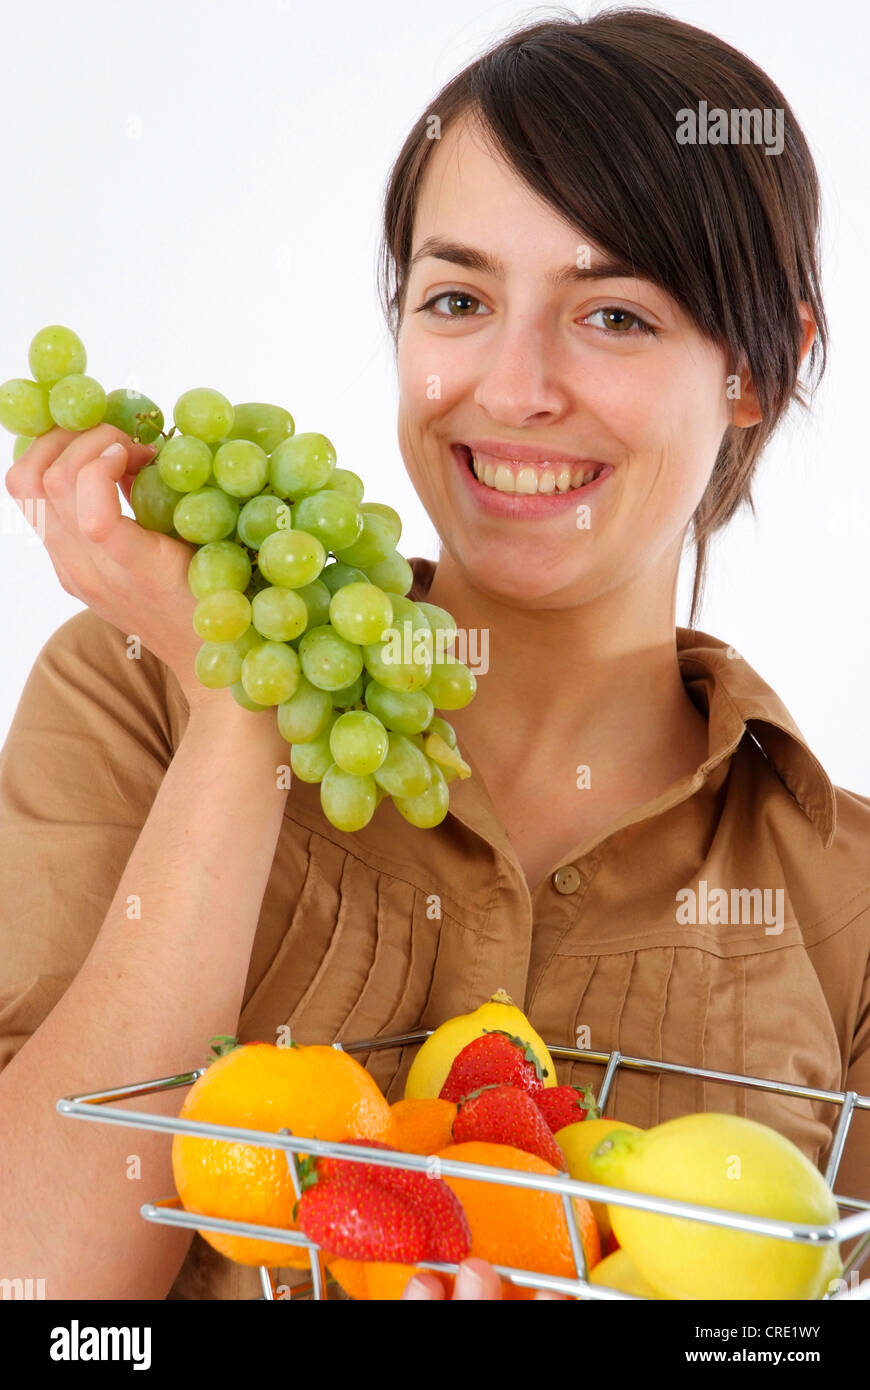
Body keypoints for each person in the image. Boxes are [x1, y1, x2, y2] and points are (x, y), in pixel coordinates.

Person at [1, 9, 867, 1304]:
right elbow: (41, 1287)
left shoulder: (837, 891)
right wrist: (243, 712)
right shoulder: (134, 692)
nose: (513, 387)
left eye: (615, 314)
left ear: (757, 366)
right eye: (457, 298)